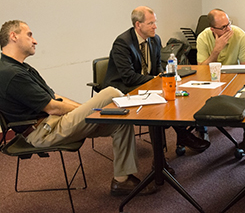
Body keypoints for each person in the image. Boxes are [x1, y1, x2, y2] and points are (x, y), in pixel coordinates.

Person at [0, 20, 156, 197]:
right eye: (29, 35)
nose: (34, 40)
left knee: (120, 122)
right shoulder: (11, 73)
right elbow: (53, 107)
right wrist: (89, 111)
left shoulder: (21, 68)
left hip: (52, 124)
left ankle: (122, 181)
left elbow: (54, 96)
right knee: (111, 92)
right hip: (42, 132)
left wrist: (86, 110)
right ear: (13, 36)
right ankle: (147, 117)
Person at [104, 6, 210, 159]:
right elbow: (128, 77)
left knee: (171, 92)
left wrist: (163, 77)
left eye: (155, 22)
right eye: (151, 23)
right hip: (123, 87)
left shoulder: (155, 39)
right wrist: (157, 80)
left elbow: (157, 66)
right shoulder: (123, 43)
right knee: (162, 101)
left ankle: (182, 134)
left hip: (145, 83)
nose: (155, 26)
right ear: (138, 25)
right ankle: (162, 157)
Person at [196, 8, 245, 149]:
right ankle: (202, 129)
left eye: (229, 24)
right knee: (199, 96)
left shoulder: (239, 34)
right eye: (223, 27)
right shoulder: (203, 38)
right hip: (210, 78)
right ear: (212, 29)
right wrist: (216, 50)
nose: (229, 29)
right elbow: (201, 69)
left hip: (235, 77)